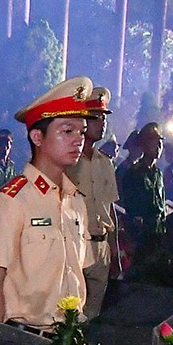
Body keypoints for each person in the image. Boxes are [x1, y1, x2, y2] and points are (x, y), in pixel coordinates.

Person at [0, 78, 91, 330]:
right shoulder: (10, 202)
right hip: (25, 337)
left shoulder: (75, 201)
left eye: (82, 132)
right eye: (67, 131)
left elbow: (77, 275)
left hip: (68, 335)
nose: (78, 140)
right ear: (37, 137)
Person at [70, 85, 119, 319]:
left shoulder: (105, 162)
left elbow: (110, 207)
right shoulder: (69, 161)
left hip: (101, 246)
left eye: (104, 118)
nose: (103, 124)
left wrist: (115, 250)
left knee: (94, 314)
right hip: (77, 244)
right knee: (71, 312)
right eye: (96, 118)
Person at [118, 123, 166, 259]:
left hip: (158, 231)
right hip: (140, 235)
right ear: (144, 145)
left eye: (160, 144)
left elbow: (161, 203)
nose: (158, 148)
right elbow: (130, 206)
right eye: (154, 143)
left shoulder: (158, 174)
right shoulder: (134, 173)